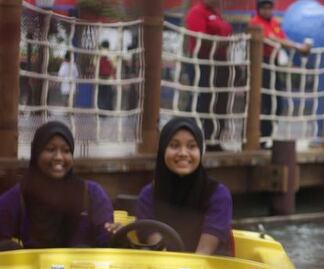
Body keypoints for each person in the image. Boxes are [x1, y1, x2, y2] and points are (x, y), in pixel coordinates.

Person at [0, 121, 114, 249]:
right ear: (36, 153)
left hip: (82, 268)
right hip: (32, 268)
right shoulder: (19, 196)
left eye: (66, 150)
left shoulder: (92, 194)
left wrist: (115, 234)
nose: (59, 157)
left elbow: (106, 242)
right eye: (50, 149)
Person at [134, 117, 232, 255]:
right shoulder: (148, 195)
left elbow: (203, 253)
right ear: (162, 150)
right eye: (174, 146)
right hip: (163, 268)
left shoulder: (218, 194)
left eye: (192, 146)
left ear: (200, 151)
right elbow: (159, 250)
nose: (183, 153)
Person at [249, 0, 311, 145]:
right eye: (264, 8)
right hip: (260, 64)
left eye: (269, 8)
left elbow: (282, 39)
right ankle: (259, 140)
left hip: (273, 64)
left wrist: (299, 47)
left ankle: (267, 137)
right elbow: (272, 39)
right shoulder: (255, 23)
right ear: (259, 9)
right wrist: (298, 47)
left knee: (276, 103)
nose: (267, 11)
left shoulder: (275, 23)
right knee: (262, 102)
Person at [185, 0, 233, 143]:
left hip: (220, 62)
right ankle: (191, 135)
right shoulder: (196, 12)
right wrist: (220, 42)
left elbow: (226, 32)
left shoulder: (216, 14)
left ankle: (213, 137)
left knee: (218, 100)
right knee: (201, 99)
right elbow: (200, 37)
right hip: (202, 61)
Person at [97, 41, 115, 111]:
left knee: (101, 95)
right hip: (108, 79)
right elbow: (114, 67)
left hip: (100, 78)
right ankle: (108, 109)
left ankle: (101, 109)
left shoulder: (99, 53)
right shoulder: (111, 54)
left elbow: (96, 66)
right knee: (108, 94)